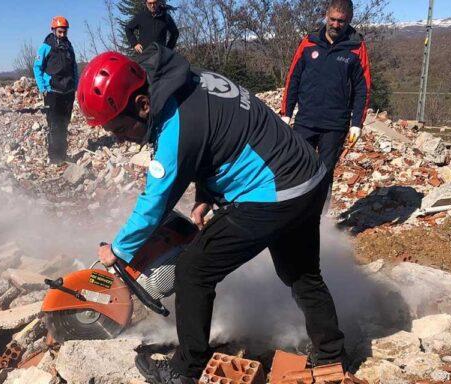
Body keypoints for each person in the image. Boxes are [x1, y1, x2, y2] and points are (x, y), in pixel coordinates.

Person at [77, 45, 346, 384]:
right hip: (309, 176)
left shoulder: (176, 127)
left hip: (276, 193)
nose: (119, 139)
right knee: (302, 273)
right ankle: (332, 355)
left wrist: (116, 250)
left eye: (119, 129)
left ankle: (184, 371)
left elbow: (154, 202)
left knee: (193, 269)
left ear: (142, 105)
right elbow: (221, 136)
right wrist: (207, 195)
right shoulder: (188, 80)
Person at [281, 0, 371, 186]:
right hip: (306, 120)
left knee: (324, 173)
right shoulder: (309, 42)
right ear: (326, 16)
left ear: (349, 20)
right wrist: (286, 113)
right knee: (297, 167)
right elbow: (293, 78)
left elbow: (363, 88)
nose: (336, 25)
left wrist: (357, 123)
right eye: (332, 19)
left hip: (335, 124)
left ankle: (321, 214)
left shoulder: (356, 47)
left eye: (341, 21)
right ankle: (296, 213)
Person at [34, 16, 78, 163]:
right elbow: (37, 67)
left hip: (68, 91)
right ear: (53, 30)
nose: (63, 35)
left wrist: (75, 85)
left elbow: (74, 67)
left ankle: (63, 155)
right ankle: (54, 157)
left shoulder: (69, 46)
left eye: (65, 32)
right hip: (52, 91)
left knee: (65, 123)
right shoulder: (45, 46)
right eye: (60, 32)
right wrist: (42, 87)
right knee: (54, 125)